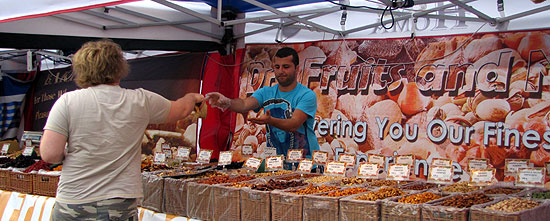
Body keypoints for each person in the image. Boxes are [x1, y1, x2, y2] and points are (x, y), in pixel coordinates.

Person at [39, 39, 204, 221]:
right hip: (118, 204)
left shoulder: (67, 102)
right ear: (119, 67)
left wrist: (68, 152)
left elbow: (50, 154)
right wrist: (192, 97)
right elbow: (181, 109)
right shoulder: (140, 101)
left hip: (73, 200)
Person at [207, 47, 319, 159]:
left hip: (305, 163)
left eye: (286, 67)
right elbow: (244, 105)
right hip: (275, 163)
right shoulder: (266, 92)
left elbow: (294, 124)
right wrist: (227, 102)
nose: (281, 71)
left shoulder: (307, 95)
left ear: (297, 68)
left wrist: (270, 121)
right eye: (277, 67)